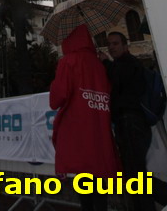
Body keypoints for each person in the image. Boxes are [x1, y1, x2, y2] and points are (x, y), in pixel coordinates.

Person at [50, 24, 120, 211]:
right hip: (100, 129)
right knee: (99, 179)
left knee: (84, 179)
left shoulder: (68, 61)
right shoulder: (98, 64)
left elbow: (56, 99)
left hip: (78, 131)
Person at [101, 31, 163, 211]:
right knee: (133, 174)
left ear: (125, 45)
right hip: (128, 123)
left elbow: (120, 80)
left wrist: (105, 63)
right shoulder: (122, 64)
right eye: (109, 44)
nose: (111, 47)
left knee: (135, 175)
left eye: (115, 43)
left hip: (131, 122)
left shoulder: (129, 63)